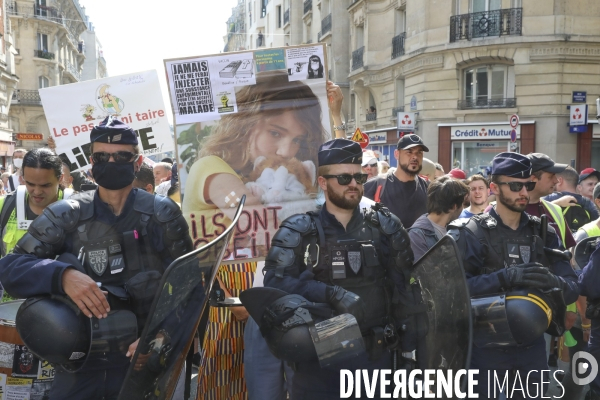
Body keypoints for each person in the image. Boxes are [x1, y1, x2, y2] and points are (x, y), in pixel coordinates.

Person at [0, 117, 193, 399]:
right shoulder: (68, 213)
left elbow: (191, 288)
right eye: (102, 156)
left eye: (121, 156)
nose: (111, 162)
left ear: (137, 162)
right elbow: (11, 268)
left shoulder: (161, 215)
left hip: (138, 368)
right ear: (92, 161)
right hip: (78, 368)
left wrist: (159, 338)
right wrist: (63, 276)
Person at [263, 138, 414, 399]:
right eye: (344, 178)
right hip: (318, 365)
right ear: (323, 182)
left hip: (375, 362)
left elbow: (406, 291)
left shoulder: (386, 227)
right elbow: (275, 288)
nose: (353, 184)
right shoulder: (299, 230)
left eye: (358, 177)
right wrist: (327, 292)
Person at [448, 152, 579, 399]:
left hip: (532, 349)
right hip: (486, 350)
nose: (523, 193)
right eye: (516, 185)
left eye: (528, 185)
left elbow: (573, 285)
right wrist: (504, 278)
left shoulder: (543, 232)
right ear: (495, 188)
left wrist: (553, 283)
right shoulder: (471, 233)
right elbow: (453, 293)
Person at [0, 148, 73, 257]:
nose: (37, 192)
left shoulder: (77, 208)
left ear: (60, 178)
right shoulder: (4, 205)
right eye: (30, 184)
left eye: (45, 185)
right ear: (22, 178)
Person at [364, 133, 429, 228]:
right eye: (409, 152)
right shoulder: (374, 186)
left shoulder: (429, 188)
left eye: (419, 152)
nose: (415, 157)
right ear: (396, 154)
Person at [408, 175, 469, 261]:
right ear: (453, 207)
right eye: (462, 204)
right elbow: (422, 273)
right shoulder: (417, 235)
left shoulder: (453, 229)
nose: (463, 208)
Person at [525, 153, 575, 249]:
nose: (556, 181)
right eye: (551, 176)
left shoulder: (555, 210)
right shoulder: (502, 210)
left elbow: (569, 251)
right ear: (533, 179)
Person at [544, 166, 599, 233]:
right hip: (583, 242)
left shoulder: (547, 199)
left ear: (560, 180)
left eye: (554, 178)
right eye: (590, 184)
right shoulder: (589, 204)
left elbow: (533, 216)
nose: (554, 181)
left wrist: (554, 204)